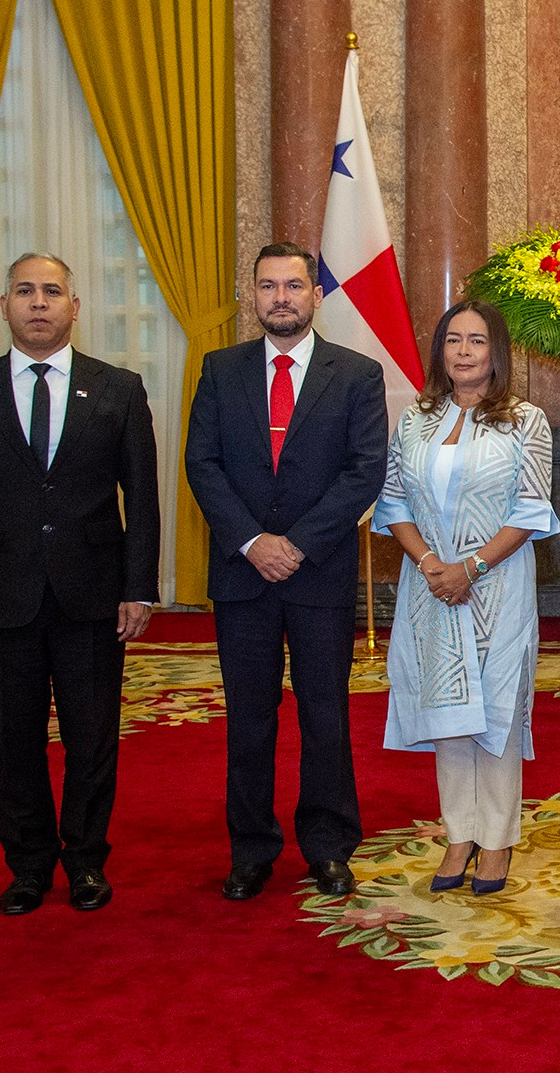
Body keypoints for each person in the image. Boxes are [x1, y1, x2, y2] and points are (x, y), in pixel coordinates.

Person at [0, 252, 160, 915]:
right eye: (24, 291)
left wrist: (139, 586)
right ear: (4, 306)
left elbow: (140, 498)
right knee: (16, 738)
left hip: (94, 596)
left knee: (93, 737)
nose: (38, 303)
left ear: (74, 307)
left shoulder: (118, 388)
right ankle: (28, 865)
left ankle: (85, 860)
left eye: (51, 291)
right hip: (4, 596)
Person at [184, 242, 388, 901]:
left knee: (325, 716)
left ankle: (328, 845)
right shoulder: (220, 370)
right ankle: (250, 848)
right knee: (250, 717)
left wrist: (295, 544)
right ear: (254, 295)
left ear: (315, 295)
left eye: (293, 285)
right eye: (268, 286)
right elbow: (202, 464)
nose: (281, 297)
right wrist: (251, 541)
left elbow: (364, 471)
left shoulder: (355, 373)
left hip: (318, 572)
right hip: (242, 576)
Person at [373, 301, 558, 895]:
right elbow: (394, 504)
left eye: (476, 341)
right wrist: (431, 563)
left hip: (496, 584)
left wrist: (471, 567)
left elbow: (530, 510)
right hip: (430, 586)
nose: (463, 351)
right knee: (446, 712)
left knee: (497, 711)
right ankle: (459, 832)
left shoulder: (526, 420)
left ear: (495, 352)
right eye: (453, 339)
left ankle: (497, 839)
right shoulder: (415, 420)